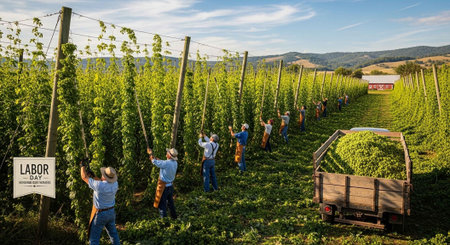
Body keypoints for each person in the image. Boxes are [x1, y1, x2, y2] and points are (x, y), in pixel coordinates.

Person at [80, 160, 120, 245]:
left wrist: (82, 165)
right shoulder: (115, 184)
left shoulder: (99, 186)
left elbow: (84, 177)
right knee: (113, 235)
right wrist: (93, 176)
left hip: (100, 214)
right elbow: (102, 182)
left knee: (94, 239)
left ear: (104, 176)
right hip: (111, 212)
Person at [149, 148, 178, 219]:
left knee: (162, 204)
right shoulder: (175, 163)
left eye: (168, 153)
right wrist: (155, 157)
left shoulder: (166, 163)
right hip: (170, 186)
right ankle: (174, 218)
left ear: (169, 156)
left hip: (163, 187)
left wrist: (150, 155)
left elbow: (155, 163)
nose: (167, 153)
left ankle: (164, 221)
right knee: (170, 203)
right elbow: (162, 162)